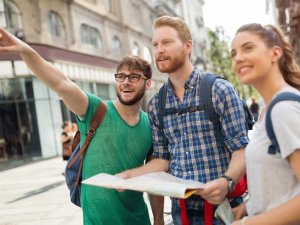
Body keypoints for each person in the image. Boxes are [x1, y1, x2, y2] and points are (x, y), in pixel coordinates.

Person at [0, 28, 164, 225]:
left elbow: (154, 177)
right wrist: (25, 50)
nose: (126, 82)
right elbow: (61, 83)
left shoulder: (150, 125)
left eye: (134, 77)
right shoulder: (96, 109)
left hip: (138, 219)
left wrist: (159, 219)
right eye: (121, 76)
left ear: (147, 84)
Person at [118, 15, 250, 225]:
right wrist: (130, 175)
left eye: (167, 42)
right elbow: (162, 160)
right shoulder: (156, 105)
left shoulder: (219, 90)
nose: (159, 50)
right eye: (155, 44)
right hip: (181, 212)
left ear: (188, 46)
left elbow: (241, 149)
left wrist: (226, 182)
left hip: (224, 208)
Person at [230, 23, 300, 225]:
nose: (238, 58)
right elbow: (284, 181)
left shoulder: (283, 110)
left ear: (275, 53)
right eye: (233, 53)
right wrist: (249, 206)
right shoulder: (266, 110)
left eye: (248, 48)